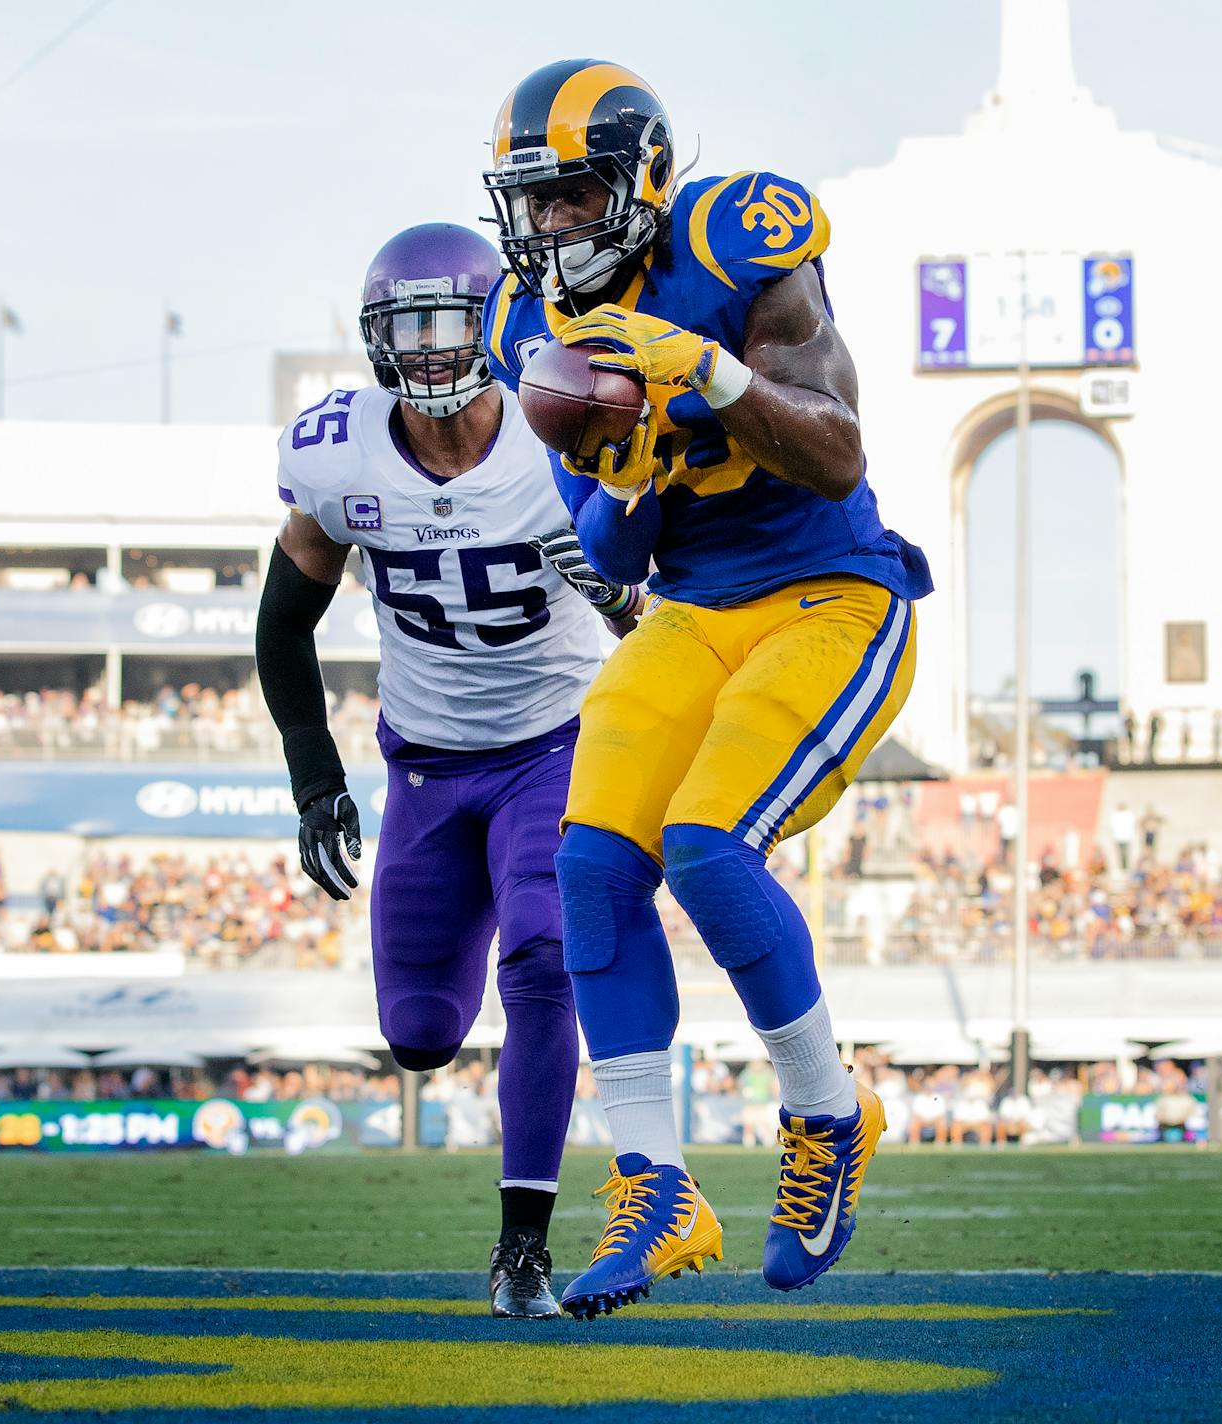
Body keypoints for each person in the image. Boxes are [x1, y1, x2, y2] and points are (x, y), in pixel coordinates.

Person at [479, 60, 933, 1313]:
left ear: (642, 182)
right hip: (690, 608)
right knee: (591, 864)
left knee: (708, 847)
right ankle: (657, 1185)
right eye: (533, 202)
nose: (550, 226)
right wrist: (625, 465)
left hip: (831, 594)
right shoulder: (530, 326)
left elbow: (838, 455)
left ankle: (829, 1111)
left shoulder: (740, 237)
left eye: (573, 196)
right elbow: (614, 558)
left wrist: (709, 372)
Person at [256, 222, 637, 1319]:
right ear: (375, 337)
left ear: (495, 324)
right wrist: (314, 775)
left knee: (544, 960)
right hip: (423, 763)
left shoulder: (566, 431)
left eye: (446, 321)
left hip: (556, 745)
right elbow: (282, 623)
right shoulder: (340, 455)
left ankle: (523, 1247)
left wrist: (620, 596)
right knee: (420, 1031)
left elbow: (670, 622)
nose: (428, 348)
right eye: (407, 325)